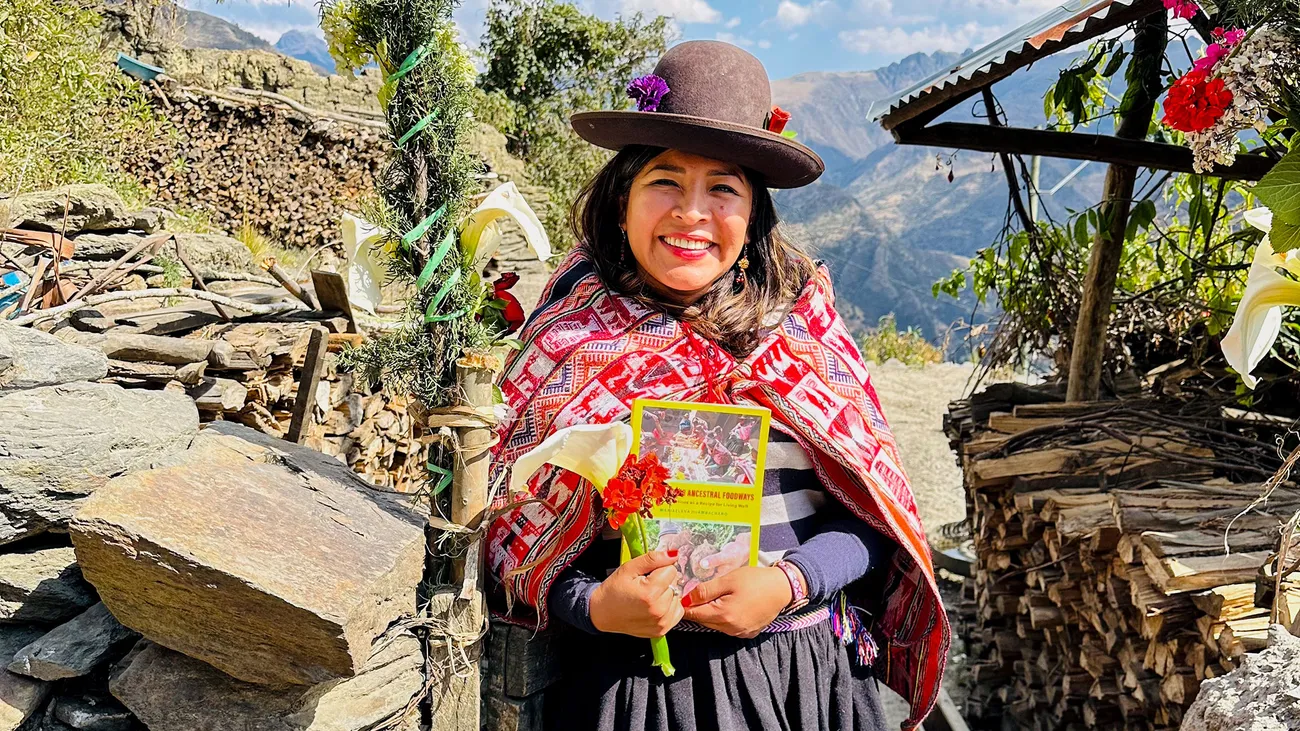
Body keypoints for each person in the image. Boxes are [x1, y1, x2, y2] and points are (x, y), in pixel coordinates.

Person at [485, 40, 949, 731]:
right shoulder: (567, 344)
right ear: (621, 200)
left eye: (723, 189)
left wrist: (791, 581)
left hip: (800, 683)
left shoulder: (803, 335)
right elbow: (510, 533)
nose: (692, 212)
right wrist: (595, 604)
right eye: (665, 180)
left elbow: (875, 517)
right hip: (633, 693)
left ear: (754, 214)